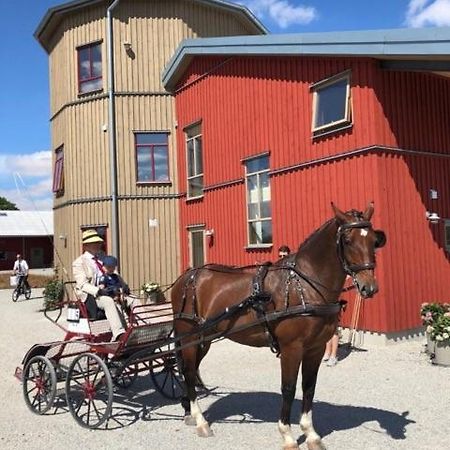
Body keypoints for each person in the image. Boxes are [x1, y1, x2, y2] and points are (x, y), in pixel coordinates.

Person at [72, 229, 135, 341]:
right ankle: (119, 334)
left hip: (111, 291)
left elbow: (114, 274)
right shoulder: (79, 262)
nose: (98, 245)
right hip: (93, 296)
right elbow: (82, 284)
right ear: (86, 246)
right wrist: (99, 291)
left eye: (98, 243)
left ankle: (140, 327)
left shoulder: (103, 259)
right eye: (94, 243)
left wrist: (124, 285)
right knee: (108, 301)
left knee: (133, 299)